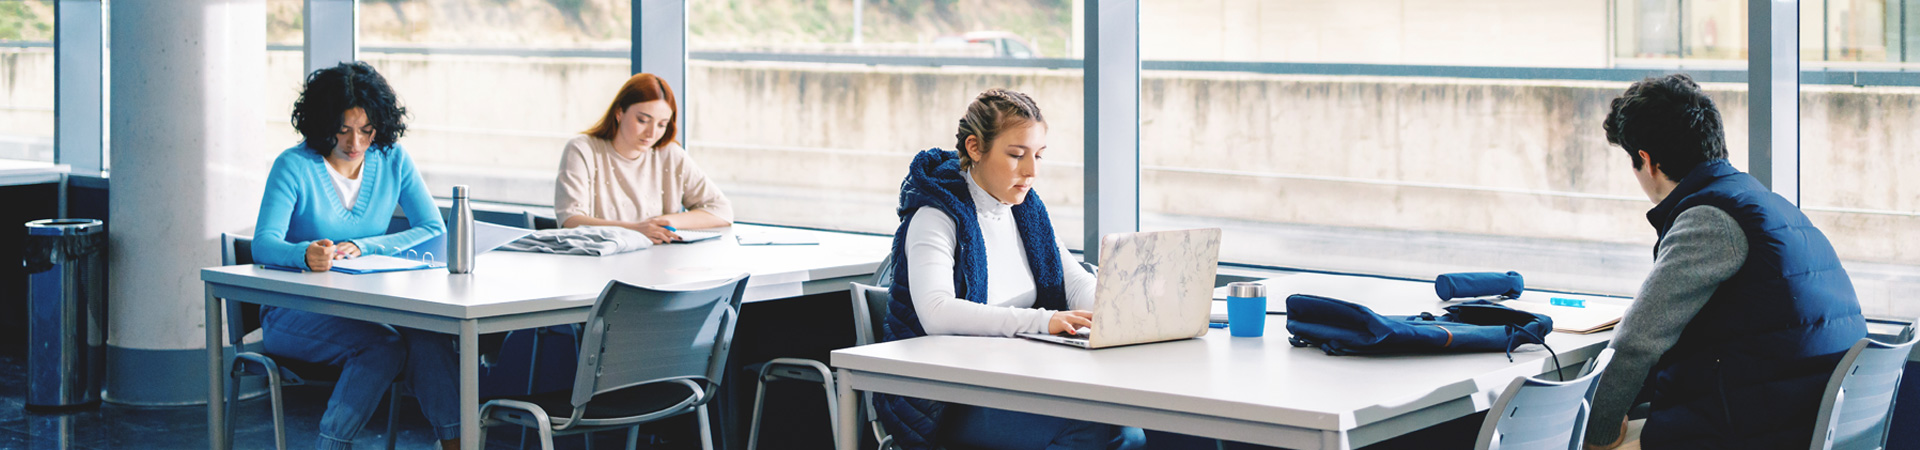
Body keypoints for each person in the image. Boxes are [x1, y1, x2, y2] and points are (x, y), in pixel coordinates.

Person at [1581, 74, 1866, 449]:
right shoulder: (1764, 204)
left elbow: (1638, 341)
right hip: (1803, 423)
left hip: (1760, 433)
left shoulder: (1711, 218)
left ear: (1646, 161)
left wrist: (1593, 425)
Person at [876, 88, 1146, 450]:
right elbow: (936, 312)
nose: (1032, 171)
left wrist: (1115, 310)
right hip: (952, 399)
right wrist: (1042, 320)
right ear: (974, 148)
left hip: (1016, 379)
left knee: (1128, 426)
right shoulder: (935, 216)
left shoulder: (1026, 211)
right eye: (1017, 155)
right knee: (1099, 429)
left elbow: (1074, 279)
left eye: (1038, 155)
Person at [252, 61, 461, 450]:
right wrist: (304, 254)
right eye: (343, 130)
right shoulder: (294, 166)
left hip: (367, 307)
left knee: (430, 341)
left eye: (366, 131)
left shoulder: (392, 158)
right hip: (293, 312)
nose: (355, 143)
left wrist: (368, 246)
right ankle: (330, 445)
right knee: (382, 347)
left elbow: (433, 228)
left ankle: (458, 444)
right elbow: (263, 244)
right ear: (321, 123)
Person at [554, 73, 732, 244]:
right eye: (642, 120)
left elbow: (722, 211)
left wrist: (663, 222)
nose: (652, 133)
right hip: (596, 263)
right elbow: (570, 220)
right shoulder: (582, 149)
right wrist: (636, 229)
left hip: (658, 262)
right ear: (619, 113)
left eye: (662, 124)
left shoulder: (669, 154)